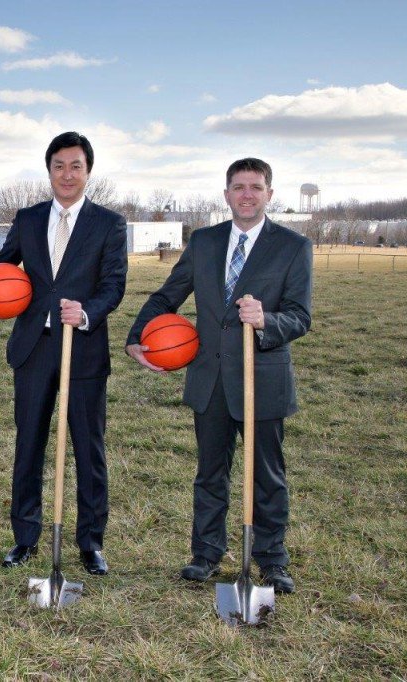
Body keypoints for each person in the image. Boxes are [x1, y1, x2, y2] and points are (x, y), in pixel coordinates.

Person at [125, 158, 312, 594]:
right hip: (209, 378)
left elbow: (301, 317)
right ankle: (205, 555)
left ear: (270, 193)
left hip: (261, 378)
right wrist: (137, 336)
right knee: (210, 473)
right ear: (226, 193)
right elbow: (168, 295)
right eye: (239, 187)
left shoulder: (292, 246)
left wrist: (267, 320)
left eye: (256, 187)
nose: (247, 194)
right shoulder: (205, 241)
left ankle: (271, 560)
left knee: (268, 475)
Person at [0, 132, 128, 575]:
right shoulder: (30, 218)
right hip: (34, 348)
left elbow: (114, 285)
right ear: (49, 170)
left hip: (84, 349)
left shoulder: (109, 223)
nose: (67, 174)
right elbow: (2, 264)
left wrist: (87, 312)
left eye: (75, 166)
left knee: (89, 448)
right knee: (29, 443)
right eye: (59, 165)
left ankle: (90, 543)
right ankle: (25, 537)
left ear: (88, 170)